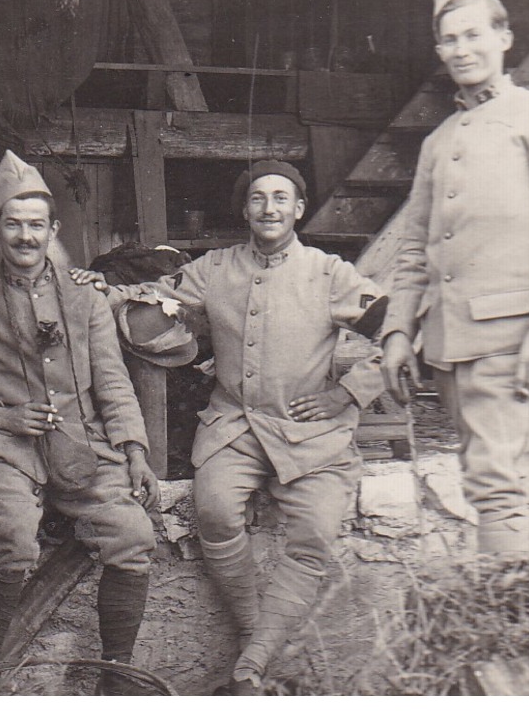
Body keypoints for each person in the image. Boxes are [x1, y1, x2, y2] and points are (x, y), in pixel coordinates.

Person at [72, 160, 390, 695]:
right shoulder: (214, 268)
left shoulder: (329, 273)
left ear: (298, 209)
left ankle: (250, 667)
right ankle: (253, 642)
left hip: (312, 431)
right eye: (259, 198)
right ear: (245, 210)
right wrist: (102, 287)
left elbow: (395, 328)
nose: (270, 208)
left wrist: (345, 394)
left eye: (281, 198)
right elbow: (151, 294)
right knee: (216, 512)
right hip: (235, 426)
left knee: (313, 535)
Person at [378, 0, 529, 555]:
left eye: (474, 34)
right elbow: (414, 251)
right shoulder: (439, 141)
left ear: (503, 38)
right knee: (489, 485)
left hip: (512, 341)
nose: (461, 49)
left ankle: (504, 632)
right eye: (448, 40)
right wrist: (399, 332)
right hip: (449, 348)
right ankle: (502, 622)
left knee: (498, 487)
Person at [0, 151, 158, 694]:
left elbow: (111, 381)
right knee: (12, 537)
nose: (25, 236)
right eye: (12, 223)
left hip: (83, 447)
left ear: (53, 229)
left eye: (36, 225)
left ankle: (117, 673)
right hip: (8, 450)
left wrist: (134, 450)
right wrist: (1, 414)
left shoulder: (85, 296)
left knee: (133, 533)